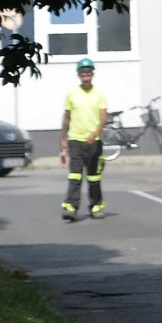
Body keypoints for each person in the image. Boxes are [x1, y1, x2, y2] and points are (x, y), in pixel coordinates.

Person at [60, 57, 109, 221]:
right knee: (75, 175)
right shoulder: (72, 94)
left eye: (88, 74)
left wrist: (95, 134)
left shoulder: (99, 94)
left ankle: (96, 206)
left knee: (94, 176)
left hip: (93, 141)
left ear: (92, 74)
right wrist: (63, 137)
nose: (85, 77)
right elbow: (67, 117)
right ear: (78, 75)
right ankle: (71, 208)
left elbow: (103, 118)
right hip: (75, 140)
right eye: (83, 74)